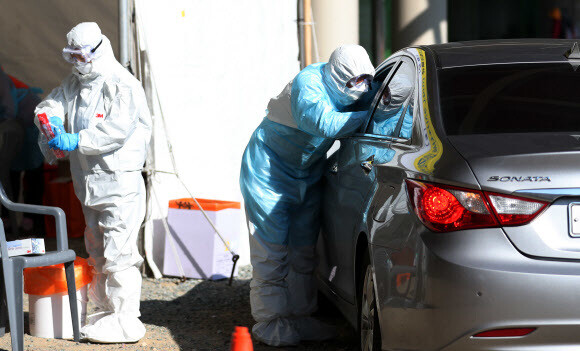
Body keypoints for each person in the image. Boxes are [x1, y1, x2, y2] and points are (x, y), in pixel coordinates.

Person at [240, 44, 374, 346]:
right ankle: (270, 323)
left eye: (367, 79)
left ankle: (300, 318)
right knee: (272, 252)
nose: (362, 87)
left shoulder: (358, 88)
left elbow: (380, 103)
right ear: (338, 75)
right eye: (355, 81)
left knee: (304, 252)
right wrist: (371, 112)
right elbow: (325, 124)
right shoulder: (308, 84)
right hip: (269, 172)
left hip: (307, 174)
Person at [34, 22, 152, 343]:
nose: (76, 62)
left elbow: (115, 130)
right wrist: (51, 121)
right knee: (97, 250)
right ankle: (102, 314)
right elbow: (52, 103)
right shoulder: (74, 82)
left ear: (98, 50)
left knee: (119, 253)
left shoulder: (122, 84)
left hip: (119, 185)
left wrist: (76, 139)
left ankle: (126, 320)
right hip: (89, 186)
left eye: (81, 55)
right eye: (71, 56)